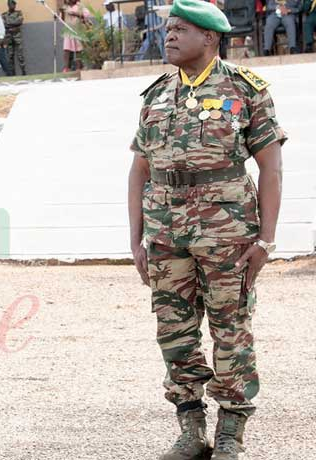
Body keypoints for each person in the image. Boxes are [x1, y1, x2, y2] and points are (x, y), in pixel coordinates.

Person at [127, 0, 287, 458]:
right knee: (173, 331)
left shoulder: (246, 89)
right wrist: (135, 238)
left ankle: (231, 431)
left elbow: (271, 170)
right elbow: (138, 171)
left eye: (180, 29)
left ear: (210, 38)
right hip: (164, 233)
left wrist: (266, 240)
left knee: (230, 327)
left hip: (227, 232)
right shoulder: (156, 94)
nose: (169, 36)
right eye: (168, 29)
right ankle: (191, 427)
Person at [61, 0, 91, 71]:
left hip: (77, 30)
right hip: (68, 31)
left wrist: (76, 14)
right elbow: (62, 19)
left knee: (78, 49)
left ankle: (78, 67)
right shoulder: (65, 7)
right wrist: (62, 12)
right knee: (66, 49)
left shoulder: (80, 6)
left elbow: (86, 15)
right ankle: (66, 68)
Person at [3, 0, 26, 76]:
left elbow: (19, 21)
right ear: (8, 5)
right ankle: (12, 74)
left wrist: (9, 24)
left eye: (14, 4)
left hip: (17, 38)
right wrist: (14, 25)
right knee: (10, 57)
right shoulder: (4, 15)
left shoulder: (19, 13)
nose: (13, 6)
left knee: (20, 56)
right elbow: (4, 24)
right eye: (11, 4)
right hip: (8, 38)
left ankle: (23, 72)